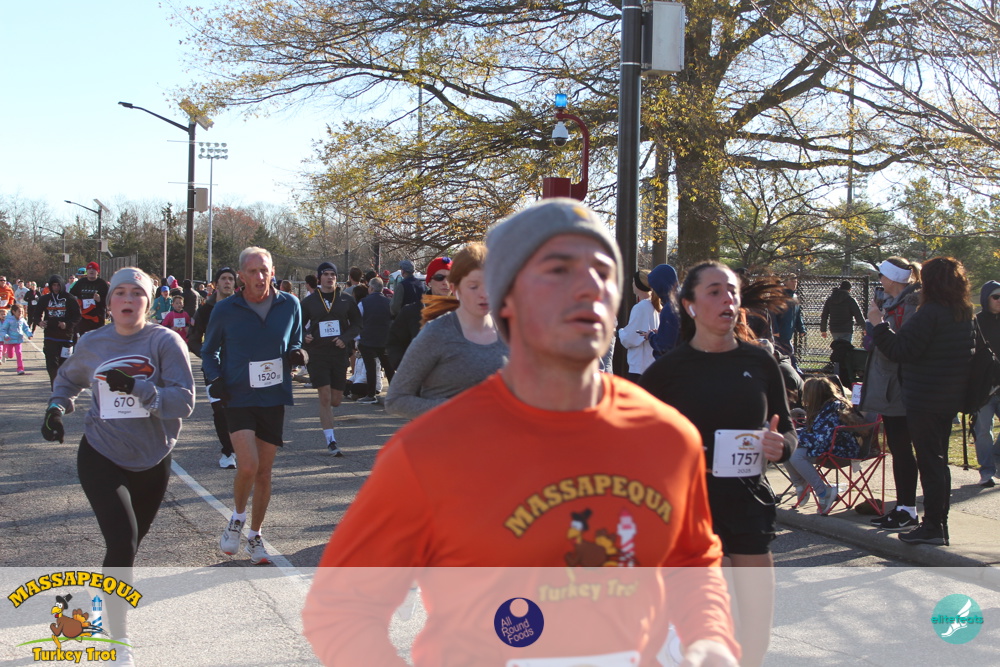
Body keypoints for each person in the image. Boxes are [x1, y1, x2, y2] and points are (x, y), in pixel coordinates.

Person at [303, 199, 739, 667]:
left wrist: (710, 643)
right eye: (558, 270)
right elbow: (342, 609)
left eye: (603, 271)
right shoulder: (430, 451)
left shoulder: (666, 435)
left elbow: (692, 560)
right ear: (506, 299)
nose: (589, 286)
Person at [640, 261, 795, 667]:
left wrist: (781, 446)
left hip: (748, 504)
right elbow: (637, 441)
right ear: (690, 305)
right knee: (719, 632)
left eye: (732, 291)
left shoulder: (761, 363)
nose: (727, 299)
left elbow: (787, 431)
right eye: (714, 291)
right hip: (694, 512)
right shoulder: (667, 372)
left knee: (756, 635)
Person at [40, 267, 194, 661]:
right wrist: (56, 408)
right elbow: (68, 380)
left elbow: (183, 402)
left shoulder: (165, 342)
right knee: (122, 543)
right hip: (101, 453)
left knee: (128, 549)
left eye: (137, 293)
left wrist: (138, 387)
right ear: (109, 303)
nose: (128, 299)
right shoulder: (93, 342)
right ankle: (118, 641)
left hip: (153, 457)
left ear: (148, 302)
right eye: (120, 292)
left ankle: (105, 599)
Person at [202, 247, 307, 565]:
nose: (260, 277)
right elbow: (209, 351)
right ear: (241, 276)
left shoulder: (290, 304)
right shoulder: (226, 309)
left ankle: (255, 535)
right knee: (247, 465)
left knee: (264, 472)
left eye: (264, 270)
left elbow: (296, 341)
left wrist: (298, 355)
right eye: (252, 271)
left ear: (273, 272)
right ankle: (237, 518)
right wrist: (215, 378)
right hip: (238, 396)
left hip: (273, 396)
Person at [868, 256, 975, 546]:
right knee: (938, 463)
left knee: (930, 464)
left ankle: (933, 527)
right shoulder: (963, 312)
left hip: (925, 397)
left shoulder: (930, 313)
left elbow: (900, 350)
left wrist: (878, 324)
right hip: (948, 396)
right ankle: (938, 524)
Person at [385, 243, 508, 420]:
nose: (484, 293)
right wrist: (415, 370)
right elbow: (395, 399)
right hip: (438, 428)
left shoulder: (508, 329)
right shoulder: (433, 328)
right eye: (474, 286)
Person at [860, 257, 922, 530]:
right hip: (890, 386)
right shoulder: (891, 303)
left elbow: (901, 348)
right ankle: (902, 507)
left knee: (904, 449)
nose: (880, 281)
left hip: (900, 387)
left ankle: (908, 509)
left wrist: (878, 325)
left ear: (894, 278)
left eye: (882, 276)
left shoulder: (910, 305)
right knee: (898, 449)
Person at [300, 261, 361, 456]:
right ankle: (331, 441)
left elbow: (357, 324)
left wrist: (345, 338)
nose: (329, 277)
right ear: (319, 278)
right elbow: (296, 325)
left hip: (338, 354)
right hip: (317, 354)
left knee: (336, 400)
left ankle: (331, 432)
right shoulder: (309, 301)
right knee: (325, 397)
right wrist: (304, 335)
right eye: (325, 274)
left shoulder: (346, 299)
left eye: (332, 274)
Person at [784, 376, 860, 513]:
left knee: (795, 455)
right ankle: (801, 486)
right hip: (830, 446)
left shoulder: (834, 408)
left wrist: (794, 437)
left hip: (841, 451)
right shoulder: (826, 406)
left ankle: (823, 492)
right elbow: (817, 433)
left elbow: (822, 439)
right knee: (786, 448)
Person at [189, 267, 239, 469]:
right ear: (216, 284)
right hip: (213, 369)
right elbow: (193, 339)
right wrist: (207, 355)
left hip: (238, 366)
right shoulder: (204, 310)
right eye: (223, 279)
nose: (227, 282)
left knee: (237, 410)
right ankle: (228, 452)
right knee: (220, 410)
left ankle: (241, 447)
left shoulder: (243, 307)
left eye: (230, 279)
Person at [386, 256, 452, 369]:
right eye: (439, 277)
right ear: (429, 282)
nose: (445, 282)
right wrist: (406, 368)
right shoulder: (410, 311)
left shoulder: (466, 313)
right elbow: (394, 343)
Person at [973, 279, 1000, 487]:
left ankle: (996, 457)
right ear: (986, 299)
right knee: (983, 431)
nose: (999, 301)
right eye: (996, 297)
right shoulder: (975, 322)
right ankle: (987, 471)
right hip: (983, 389)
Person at [33, 274, 82, 388]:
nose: (56, 288)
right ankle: (55, 387)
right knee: (51, 364)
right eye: (53, 285)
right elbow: (36, 314)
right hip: (50, 335)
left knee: (64, 364)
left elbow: (77, 316)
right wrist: (39, 322)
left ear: (62, 285)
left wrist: (67, 324)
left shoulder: (70, 298)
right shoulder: (45, 299)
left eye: (58, 285)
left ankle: (64, 387)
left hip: (66, 337)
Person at [356, 277, 394, 404]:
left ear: (371, 288)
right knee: (388, 368)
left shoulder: (364, 302)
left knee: (370, 368)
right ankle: (395, 393)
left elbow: (357, 320)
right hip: (385, 340)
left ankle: (370, 394)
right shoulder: (389, 302)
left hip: (367, 339)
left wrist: (357, 338)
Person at [618, 269, 660, 380]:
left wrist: (621, 332)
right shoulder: (655, 305)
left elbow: (631, 338)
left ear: (638, 284)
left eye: (633, 281)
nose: (632, 284)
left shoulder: (641, 307)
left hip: (640, 366)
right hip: (651, 363)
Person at [646, 263, 680, 357]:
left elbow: (664, 345)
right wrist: (662, 333)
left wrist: (651, 336)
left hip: (672, 361)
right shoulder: (684, 301)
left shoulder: (670, 308)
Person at [69, 261, 109, 339]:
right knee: (84, 339)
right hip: (83, 318)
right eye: (89, 269)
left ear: (98, 271)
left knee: (96, 340)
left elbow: (109, 300)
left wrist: (100, 299)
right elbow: (71, 295)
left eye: (94, 269)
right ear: (87, 271)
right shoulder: (81, 282)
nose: (91, 271)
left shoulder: (102, 284)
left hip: (97, 318)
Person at [772, 273, 805, 358]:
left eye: (796, 282)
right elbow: (773, 314)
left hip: (788, 332)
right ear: (786, 282)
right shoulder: (780, 296)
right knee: (785, 354)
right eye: (792, 281)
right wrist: (775, 330)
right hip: (780, 332)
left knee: (787, 354)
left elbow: (797, 315)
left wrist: (801, 329)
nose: (794, 284)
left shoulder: (795, 297)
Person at [2, 303, 33, 374]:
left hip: (18, 340)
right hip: (9, 340)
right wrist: (5, 335)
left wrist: (29, 334)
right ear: (13, 312)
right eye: (19, 311)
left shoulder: (22, 320)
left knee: (19, 353)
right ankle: (5, 354)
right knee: (10, 356)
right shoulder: (8, 320)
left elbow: (26, 328)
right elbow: (3, 329)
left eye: (22, 312)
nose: (21, 313)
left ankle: (20, 369)